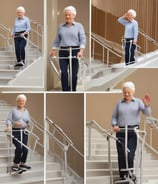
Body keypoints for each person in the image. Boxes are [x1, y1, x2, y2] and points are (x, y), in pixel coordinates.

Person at [111, 81, 151, 182]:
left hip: (133, 132)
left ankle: (130, 173)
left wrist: (146, 105)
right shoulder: (118, 103)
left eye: (129, 92)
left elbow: (147, 114)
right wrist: (114, 125)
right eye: (125, 92)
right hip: (120, 131)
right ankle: (122, 175)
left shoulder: (138, 102)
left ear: (133, 92)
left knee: (130, 154)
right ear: (123, 92)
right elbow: (114, 117)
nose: (127, 94)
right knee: (121, 153)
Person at [50, 6, 86, 91]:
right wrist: (53, 50)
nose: (67, 17)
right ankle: (65, 91)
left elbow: (83, 39)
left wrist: (81, 51)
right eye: (66, 15)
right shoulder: (61, 27)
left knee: (73, 74)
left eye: (69, 15)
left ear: (74, 15)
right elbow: (57, 40)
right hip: (63, 51)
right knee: (64, 73)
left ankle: (73, 90)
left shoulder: (79, 26)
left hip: (75, 51)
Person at [6, 94, 31, 172]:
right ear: (17, 101)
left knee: (25, 149)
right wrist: (10, 125)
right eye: (19, 100)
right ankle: (15, 165)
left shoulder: (26, 111)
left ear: (25, 102)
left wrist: (28, 124)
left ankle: (22, 164)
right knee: (19, 148)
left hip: (24, 132)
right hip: (16, 131)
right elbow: (8, 120)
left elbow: (28, 121)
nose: (21, 102)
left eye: (23, 101)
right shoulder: (13, 110)